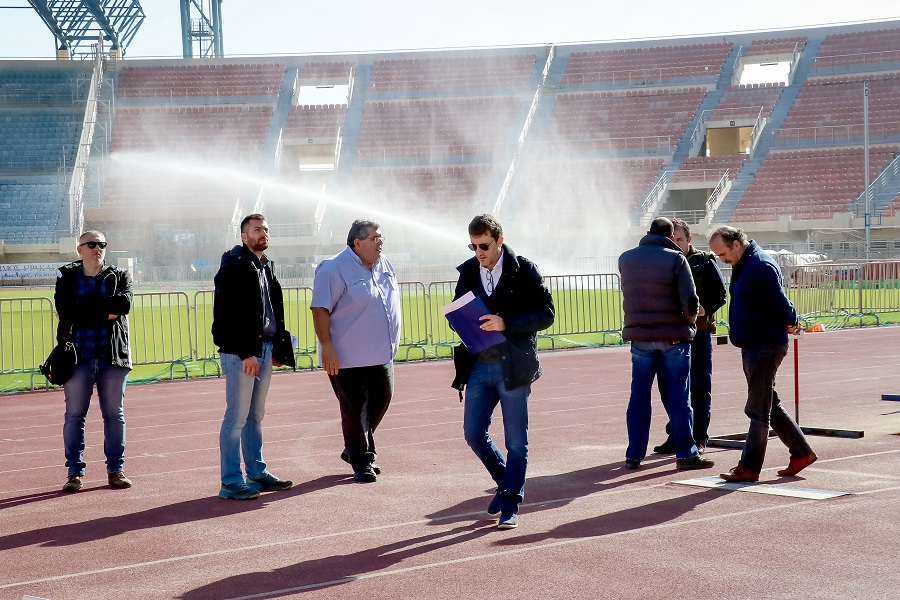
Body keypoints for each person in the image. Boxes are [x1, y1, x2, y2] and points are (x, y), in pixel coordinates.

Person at [450, 214, 555, 530]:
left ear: (500, 240)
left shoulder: (524, 269)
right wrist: (460, 320)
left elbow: (547, 314)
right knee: (473, 434)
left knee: (516, 443)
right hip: (479, 366)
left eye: (484, 245)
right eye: (473, 245)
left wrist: (506, 324)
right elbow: (458, 306)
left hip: (513, 367)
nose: (478, 252)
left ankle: (510, 504)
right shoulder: (469, 271)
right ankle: (506, 482)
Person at [708, 226, 817, 482]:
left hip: (764, 344)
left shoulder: (759, 266)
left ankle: (750, 466)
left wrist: (792, 320)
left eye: (723, 254)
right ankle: (801, 452)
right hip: (756, 343)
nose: (722, 260)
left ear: (736, 243)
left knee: (757, 411)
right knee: (770, 405)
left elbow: (779, 301)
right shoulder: (746, 262)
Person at [618, 217, 714, 471]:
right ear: (672, 238)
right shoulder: (675, 258)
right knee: (679, 397)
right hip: (674, 337)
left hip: (639, 338)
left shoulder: (626, 259)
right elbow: (690, 300)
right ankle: (686, 453)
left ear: (648, 232)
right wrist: (690, 322)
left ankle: (634, 454)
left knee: (638, 396)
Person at [311, 219, 401, 483]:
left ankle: (354, 447)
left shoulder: (384, 263)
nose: (380, 242)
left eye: (381, 237)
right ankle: (362, 460)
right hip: (348, 356)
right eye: (374, 238)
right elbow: (320, 309)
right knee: (355, 409)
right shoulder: (333, 269)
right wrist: (327, 346)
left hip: (382, 353)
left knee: (382, 400)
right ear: (357, 243)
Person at [213, 214, 293, 500]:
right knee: (236, 416)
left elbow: (272, 310)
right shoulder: (234, 267)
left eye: (267, 229)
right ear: (244, 236)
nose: (264, 233)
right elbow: (227, 317)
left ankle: (256, 473)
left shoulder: (264, 267)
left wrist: (278, 348)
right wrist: (246, 352)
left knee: (255, 417)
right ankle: (231, 482)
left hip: (265, 349)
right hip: (242, 354)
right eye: (257, 229)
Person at [55, 231, 134, 493]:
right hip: (78, 357)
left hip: (113, 356)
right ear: (79, 249)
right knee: (75, 415)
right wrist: (103, 310)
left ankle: (115, 470)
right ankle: (74, 472)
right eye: (91, 244)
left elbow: (123, 305)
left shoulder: (119, 275)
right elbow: (67, 311)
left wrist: (84, 308)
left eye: (102, 244)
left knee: (114, 415)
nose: (97, 248)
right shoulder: (67, 277)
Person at [654, 218, 727, 454]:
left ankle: (699, 436)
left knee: (698, 386)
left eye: (680, 240)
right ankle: (677, 432)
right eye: (671, 240)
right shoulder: (662, 260)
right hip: (669, 335)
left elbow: (721, 294)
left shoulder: (705, 261)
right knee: (668, 388)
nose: (676, 244)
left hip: (699, 334)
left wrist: (706, 307)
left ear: (689, 240)